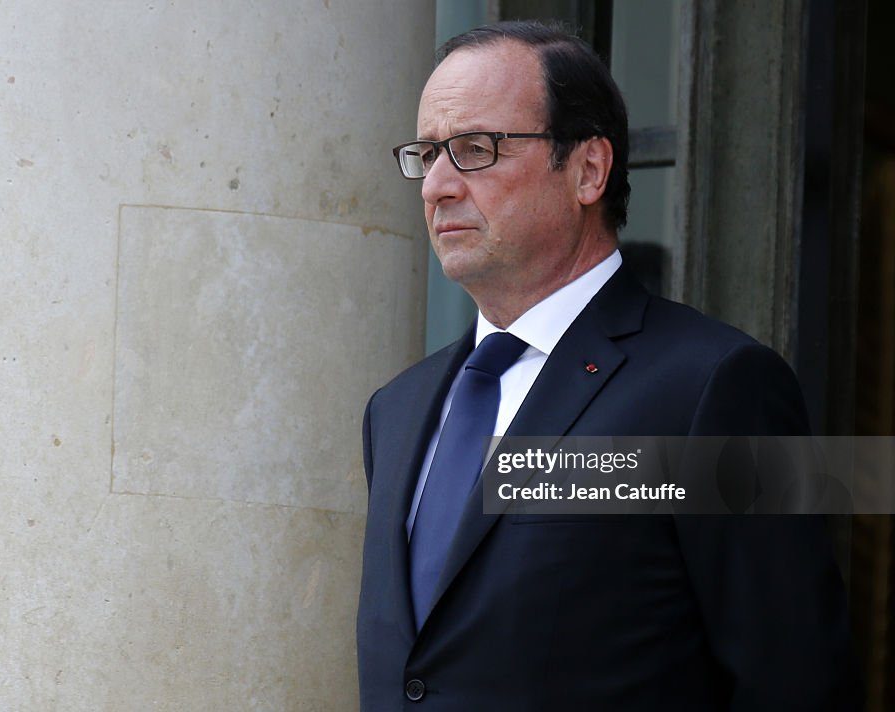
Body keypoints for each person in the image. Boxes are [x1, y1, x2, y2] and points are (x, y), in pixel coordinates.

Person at [356, 21, 856, 711]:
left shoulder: (720, 386)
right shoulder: (396, 411)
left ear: (588, 169)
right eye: (428, 153)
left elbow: (799, 684)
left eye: (474, 149)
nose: (437, 185)